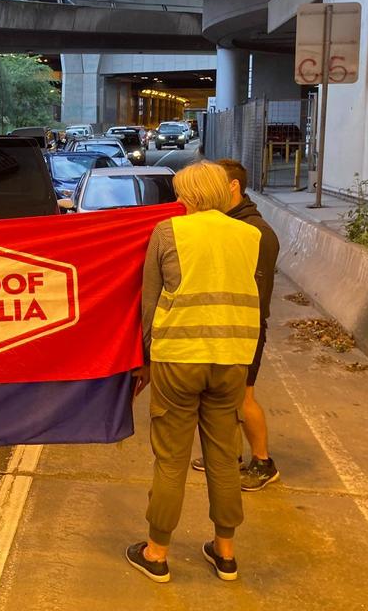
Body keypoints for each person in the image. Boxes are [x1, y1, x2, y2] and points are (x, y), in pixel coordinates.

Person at [127, 161, 261, 583]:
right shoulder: (250, 235)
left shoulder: (169, 231)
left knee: (171, 458)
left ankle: (157, 551)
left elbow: (151, 301)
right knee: (223, 457)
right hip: (232, 357)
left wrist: (145, 359)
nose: (177, 200)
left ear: (193, 196)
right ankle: (225, 553)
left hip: (179, 356)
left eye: (182, 193)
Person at [190, 159, 281, 491]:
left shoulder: (257, 233)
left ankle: (263, 462)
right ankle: (231, 456)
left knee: (243, 397)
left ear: (232, 187)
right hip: (223, 325)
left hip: (245, 329)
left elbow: (258, 295)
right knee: (223, 397)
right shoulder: (224, 224)